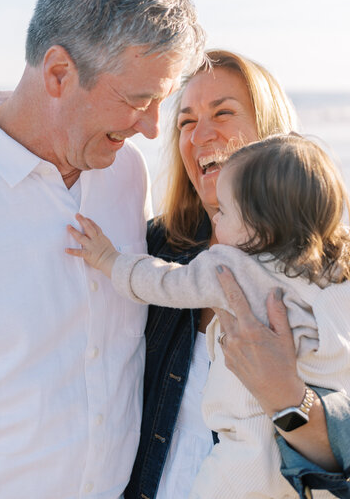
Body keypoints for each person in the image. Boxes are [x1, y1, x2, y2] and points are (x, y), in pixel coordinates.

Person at [0, 0, 205, 499]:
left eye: (162, 102)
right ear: (59, 73)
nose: (153, 127)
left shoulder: (125, 172)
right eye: (138, 100)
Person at [116, 49, 349, 499]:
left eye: (223, 112)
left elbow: (341, 457)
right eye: (185, 121)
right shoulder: (154, 248)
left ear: (271, 135)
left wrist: (285, 395)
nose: (200, 134)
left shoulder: (331, 268)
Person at [68, 133, 350, 499]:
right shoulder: (333, 269)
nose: (216, 220)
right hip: (311, 430)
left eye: (223, 212)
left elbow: (166, 282)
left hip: (248, 433)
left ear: (260, 226)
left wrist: (109, 261)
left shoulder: (232, 265)